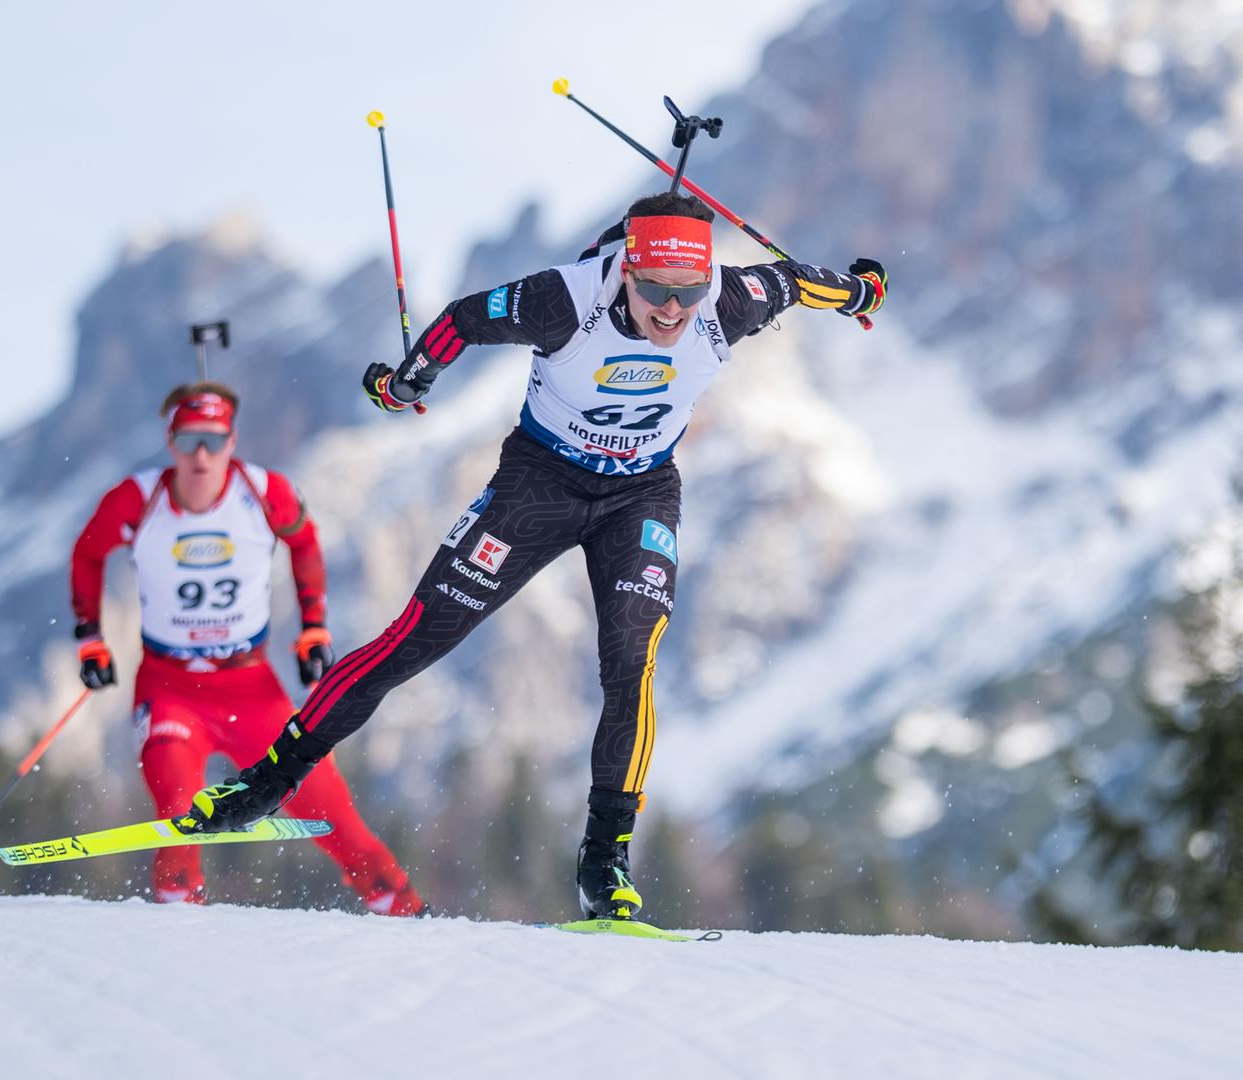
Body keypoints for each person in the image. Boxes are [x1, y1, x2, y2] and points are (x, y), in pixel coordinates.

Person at [174, 192, 886, 920]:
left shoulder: (733, 298)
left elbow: (798, 281)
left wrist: (863, 291)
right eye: (653, 292)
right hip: (538, 485)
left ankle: (603, 861)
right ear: (625, 271)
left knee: (631, 662)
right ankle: (263, 784)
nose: (672, 311)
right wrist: (404, 381)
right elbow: (459, 321)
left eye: (687, 293)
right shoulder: (560, 300)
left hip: (639, 496)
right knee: (414, 640)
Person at [69, 382, 424, 913]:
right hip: (170, 689)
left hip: (251, 689)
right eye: (189, 441)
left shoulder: (264, 492)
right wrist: (89, 636)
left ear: (232, 440)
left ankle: (412, 917)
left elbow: (305, 543)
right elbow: (87, 552)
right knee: (178, 817)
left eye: (214, 440)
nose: (202, 455)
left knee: (337, 821)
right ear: (171, 442)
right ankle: (177, 937)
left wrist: (313, 627)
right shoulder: (137, 499)